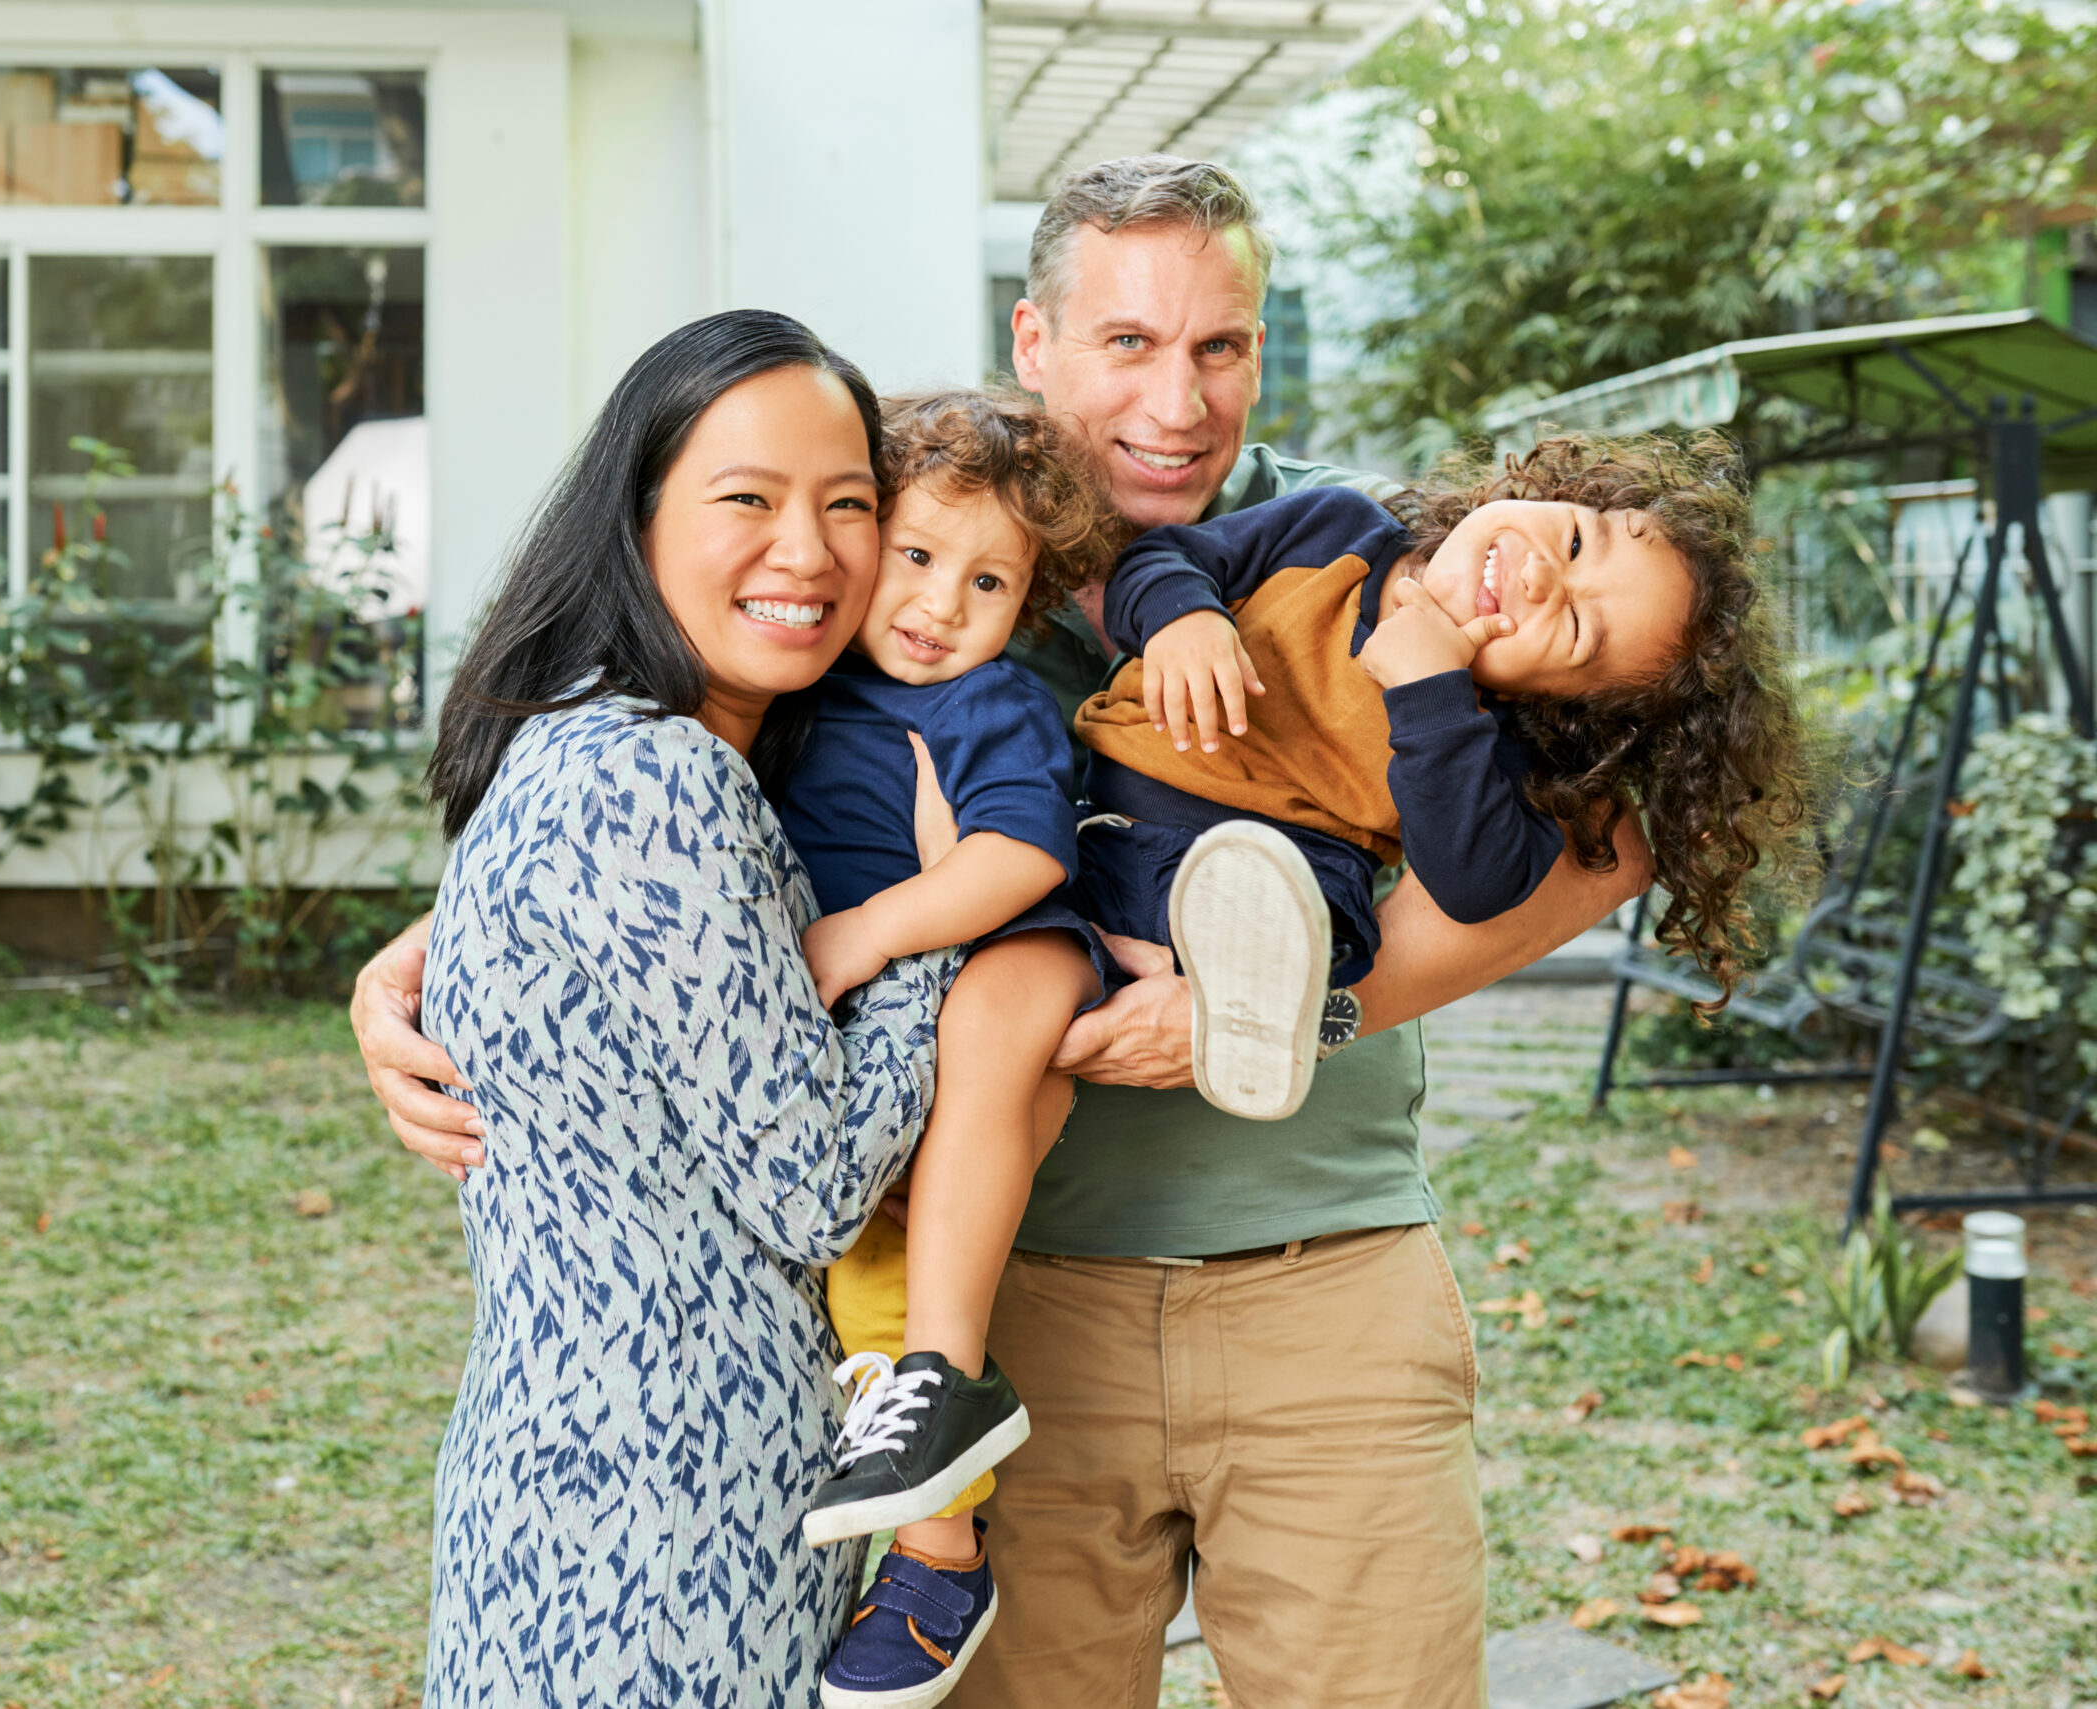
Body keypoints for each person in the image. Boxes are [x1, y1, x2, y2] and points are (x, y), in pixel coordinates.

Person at [357, 157, 1657, 1707]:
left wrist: (1298, 1009)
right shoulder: (917, 548)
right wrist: (427, 954)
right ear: (1032, 343)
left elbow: (1609, 842)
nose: (1179, 400)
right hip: (1014, 1308)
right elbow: (694, 809)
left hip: (1320, 1278)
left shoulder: (1350, 558)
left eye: (1221, 346)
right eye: (1129, 344)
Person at [415, 309, 962, 1706]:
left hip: (568, 1474)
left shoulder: (583, 744)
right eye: (747, 499)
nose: (810, 549)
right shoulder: (661, 779)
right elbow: (817, 1184)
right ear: (636, 518)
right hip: (673, 1503)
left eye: (851, 506)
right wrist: (936, 920)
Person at [1071, 435, 1809, 1115]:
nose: (1547, 576)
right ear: (1563, 491)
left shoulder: (1489, 738)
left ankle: (1250, 1013)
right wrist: (1183, 618)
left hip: (1275, 873)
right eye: (1579, 538)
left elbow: (1475, 885)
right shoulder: (1336, 528)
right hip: (1108, 816)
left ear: (1564, 708)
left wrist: (1431, 690)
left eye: (1578, 629)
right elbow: (1160, 559)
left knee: (1327, 919)